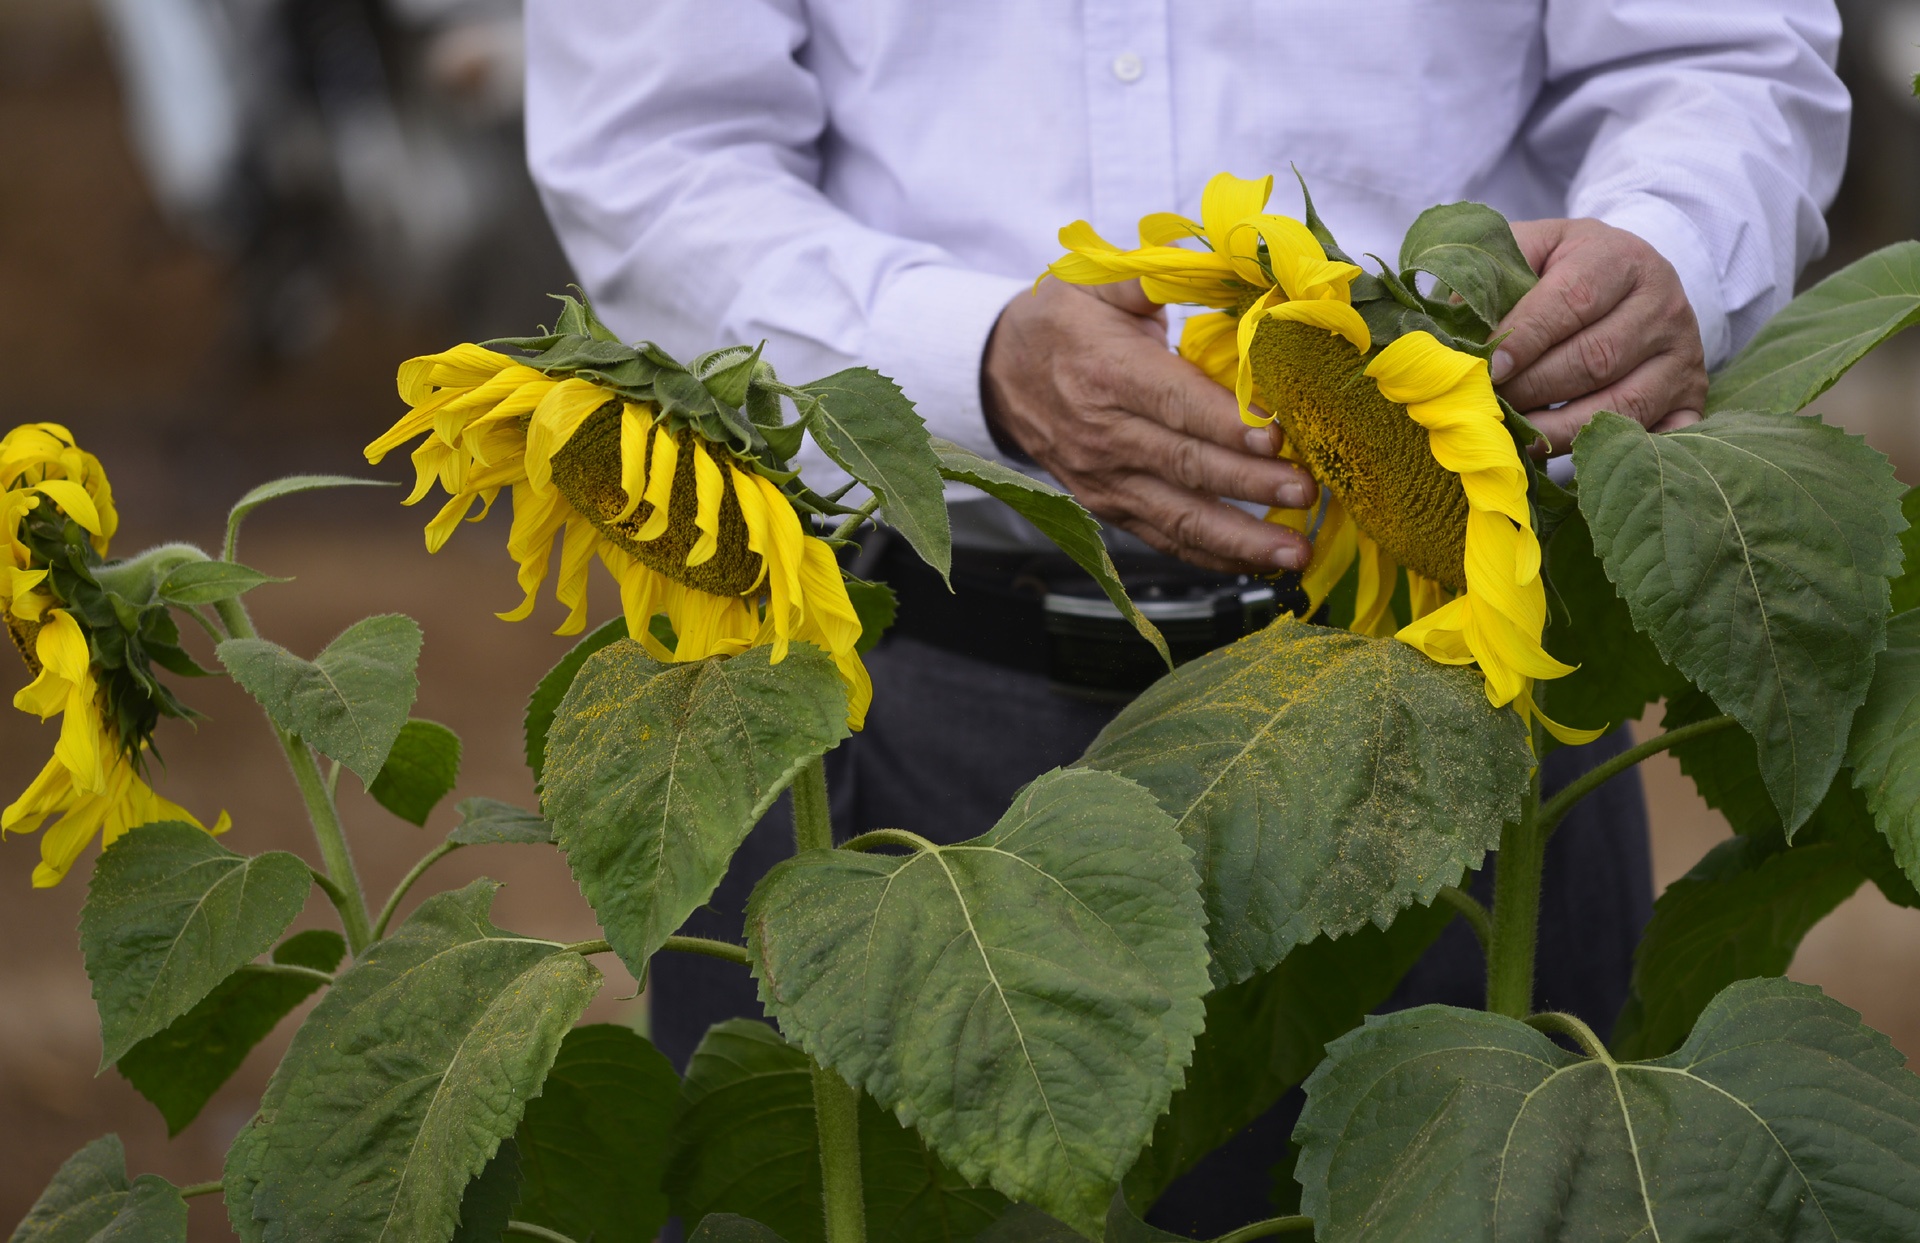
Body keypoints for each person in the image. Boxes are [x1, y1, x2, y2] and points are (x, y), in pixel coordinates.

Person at [522, 4, 1849, 1233]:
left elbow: (1718, 50)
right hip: (902, 683)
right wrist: (961, 362)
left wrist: (1676, 246)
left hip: (1467, 675)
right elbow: (654, 151)